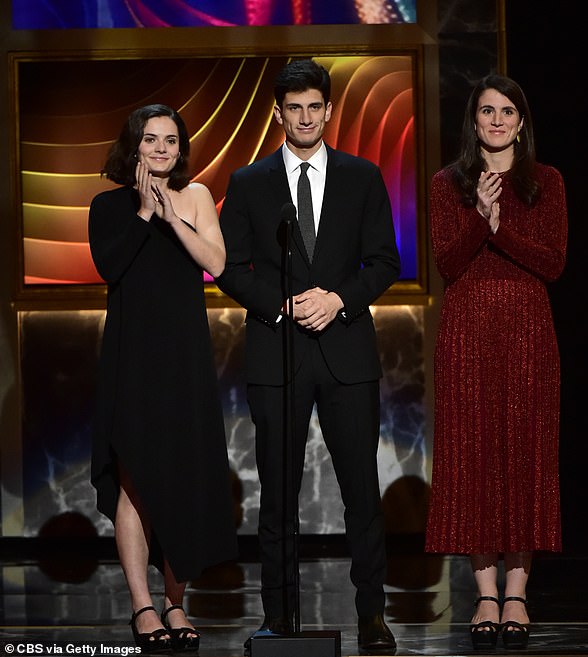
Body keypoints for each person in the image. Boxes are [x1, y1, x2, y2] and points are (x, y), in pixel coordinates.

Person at [215, 59, 401, 655]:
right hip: (279, 352)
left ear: (328, 110)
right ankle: (279, 618)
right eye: (292, 108)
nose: (304, 117)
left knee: (361, 493)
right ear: (279, 113)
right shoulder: (248, 183)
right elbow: (229, 269)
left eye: (313, 107)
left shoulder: (363, 177)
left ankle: (372, 616)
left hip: (347, 352)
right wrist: (285, 304)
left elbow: (384, 262)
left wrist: (339, 299)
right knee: (278, 495)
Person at [424, 74, 568, 650]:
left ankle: (516, 593)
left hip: (529, 332)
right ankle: (484, 592)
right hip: (466, 334)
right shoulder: (446, 184)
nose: (498, 120)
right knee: (475, 455)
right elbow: (448, 264)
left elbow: (553, 262)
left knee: (524, 454)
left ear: (521, 121)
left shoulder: (547, 182)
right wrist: (475, 216)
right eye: (488, 111)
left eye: (508, 111)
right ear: (474, 121)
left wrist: (497, 225)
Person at [89, 104, 238, 653]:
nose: (160, 150)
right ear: (133, 146)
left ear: (181, 149)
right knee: (135, 480)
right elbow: (111, 266)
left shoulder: (197, 196)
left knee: (184, 478)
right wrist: (146, 214)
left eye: (170, 141)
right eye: (150, 140)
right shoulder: (108, 206)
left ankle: (177, 603)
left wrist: (174, 216)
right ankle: (142, 606)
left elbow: (217, 265)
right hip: (132, 357)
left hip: (184, 357)